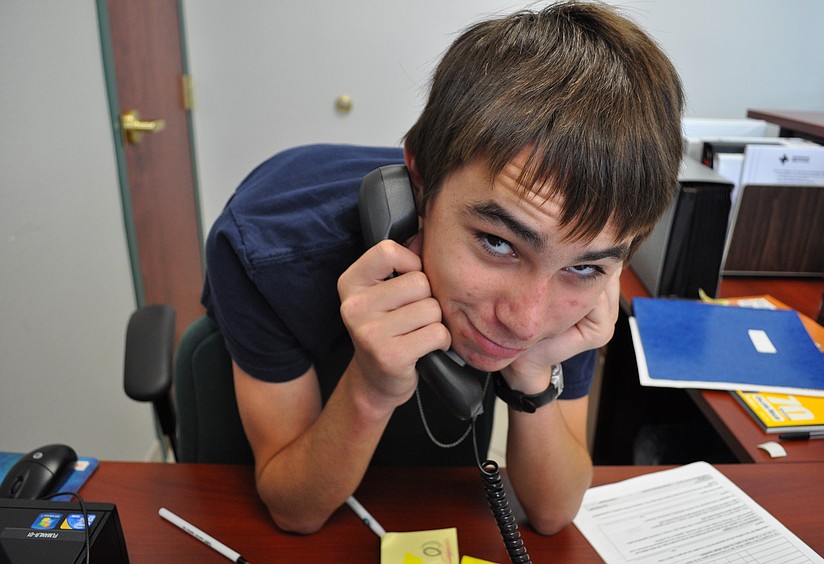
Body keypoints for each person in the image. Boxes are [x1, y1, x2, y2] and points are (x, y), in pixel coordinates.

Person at [202, 0, 684, 536]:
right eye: (498, 243)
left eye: (586, 267)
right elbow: (294, 509)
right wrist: (371, 387)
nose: (525, 322)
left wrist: (532, 374)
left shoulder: (574, 269)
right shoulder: (267, 250)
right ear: (421, 184)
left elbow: (553, 513)